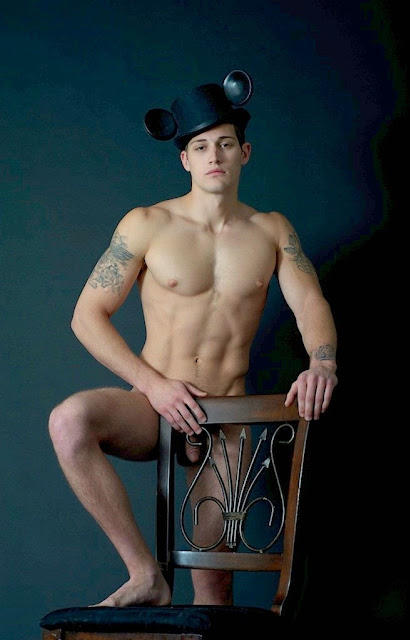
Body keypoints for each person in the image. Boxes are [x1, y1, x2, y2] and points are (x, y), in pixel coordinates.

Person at [48, 70, 337, 609]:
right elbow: (87, 316)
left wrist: (323, 364)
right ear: (184, 159)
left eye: (225, 144)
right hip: (154, 407)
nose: (214, 156)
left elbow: (310, 304)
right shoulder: (147, 223)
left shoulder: (272, 230)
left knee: (213, 593)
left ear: (244, 153)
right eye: (201, 147)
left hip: (227, 419)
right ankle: (145, 575)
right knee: (69, 421)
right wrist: (154, 386)